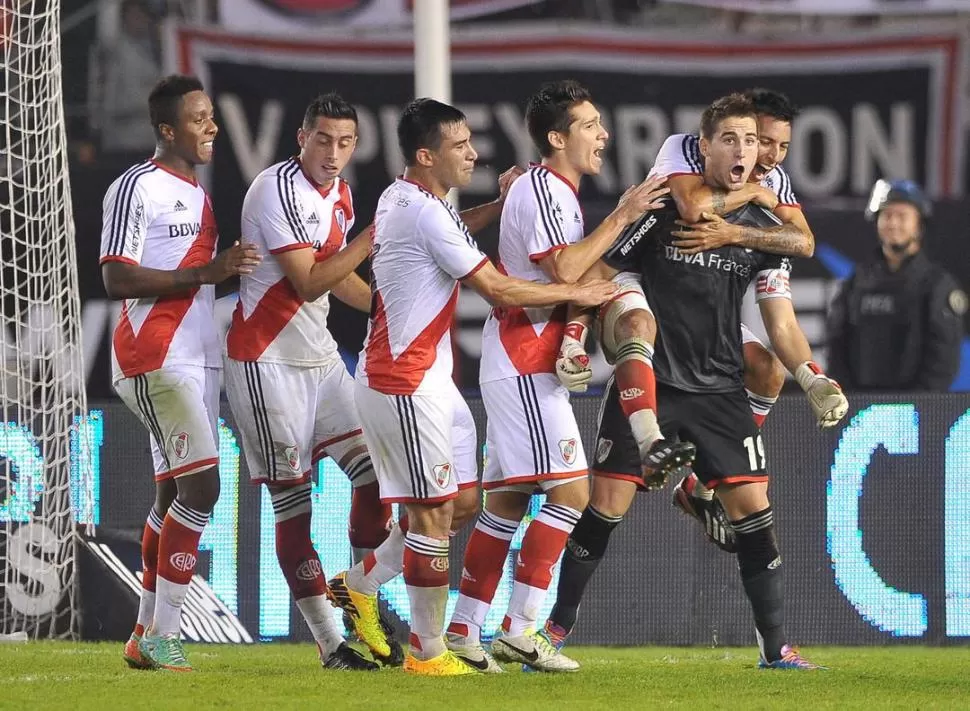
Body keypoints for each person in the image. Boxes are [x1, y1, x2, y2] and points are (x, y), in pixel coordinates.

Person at [548, 93, 847, 669]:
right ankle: (554, 630)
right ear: (702, 146)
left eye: (751, 142)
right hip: (654, 380)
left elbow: (796, 255)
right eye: (729, 139)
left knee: (756, 516)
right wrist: (574, 332)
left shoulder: (760, 225)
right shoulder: (665, 205)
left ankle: (774, 648)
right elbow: (600, 271)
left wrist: (811, 378)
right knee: (605, 509)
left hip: (719, 390)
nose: (744, 150)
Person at [350, 97, 617, 676]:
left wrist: (496, 203)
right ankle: (429, 652)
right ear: (426, 155)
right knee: (434, 515)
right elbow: (498, 289)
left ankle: (362, 585)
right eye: (459, 144)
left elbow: (451, 231)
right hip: (401, 382)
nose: (473, 152)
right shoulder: (423, 212)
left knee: (469, 503)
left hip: (434, 380)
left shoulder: (413, 200)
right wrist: (585, 295)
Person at [443, 79, 674, 674]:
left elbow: (570, 277)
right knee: (572, 493)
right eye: (591, 126)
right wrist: (624, 212)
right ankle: (521, 629)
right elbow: (567, 269)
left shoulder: (553, 192)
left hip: (523, 356)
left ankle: (466, 627)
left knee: (507, 503)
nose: (603, 136)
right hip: (524, 357)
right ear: (556, 137)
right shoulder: (545, 188)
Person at [223, 92, 391, 671]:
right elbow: (310, 281)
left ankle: (360, 598)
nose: (334, 153)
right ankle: (330, 643)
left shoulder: (340, 195)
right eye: (324, 139)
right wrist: (375, 236)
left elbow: (340, 279)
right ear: (301, 138)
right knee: (294, 504)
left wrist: (386, 310)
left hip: (320, 359)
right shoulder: (274, 190)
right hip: (265, 365)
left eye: (346, 143)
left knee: (377, 474)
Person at [100, 74, 260, 671]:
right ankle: (165, 636)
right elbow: (116, 279)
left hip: (193, 356)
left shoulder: (196, 191)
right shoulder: (135, 187)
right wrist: (205, 273)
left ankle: (144, 635)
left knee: (171, 493)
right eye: (199, 119)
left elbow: (198, 276)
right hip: (154, 355)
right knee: (204, 488)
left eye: (212, 116)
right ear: (168, 129)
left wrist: (226, 275)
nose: (212, 126)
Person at [645, 89, 814, 550]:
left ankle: (703, 482)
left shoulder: (771, 178)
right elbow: (694, 209)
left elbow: (804, 241)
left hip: (704, 312)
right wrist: (752, 196)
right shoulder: (681, 147)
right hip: (644, 291)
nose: (769, 157)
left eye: (782, 147)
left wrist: (740, 227)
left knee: (766, 368)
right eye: (763, 141)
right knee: (607, 498)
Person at [826, 179, 966, 391]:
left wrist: (918, 404)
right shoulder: (856, 283)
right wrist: (852, 400)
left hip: (917, 411)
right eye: (887, 215)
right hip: (863, 412)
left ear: (919, 224)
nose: (893, 223)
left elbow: (944, 359)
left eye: (902, 216)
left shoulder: (937, 285)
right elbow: (836, 348)